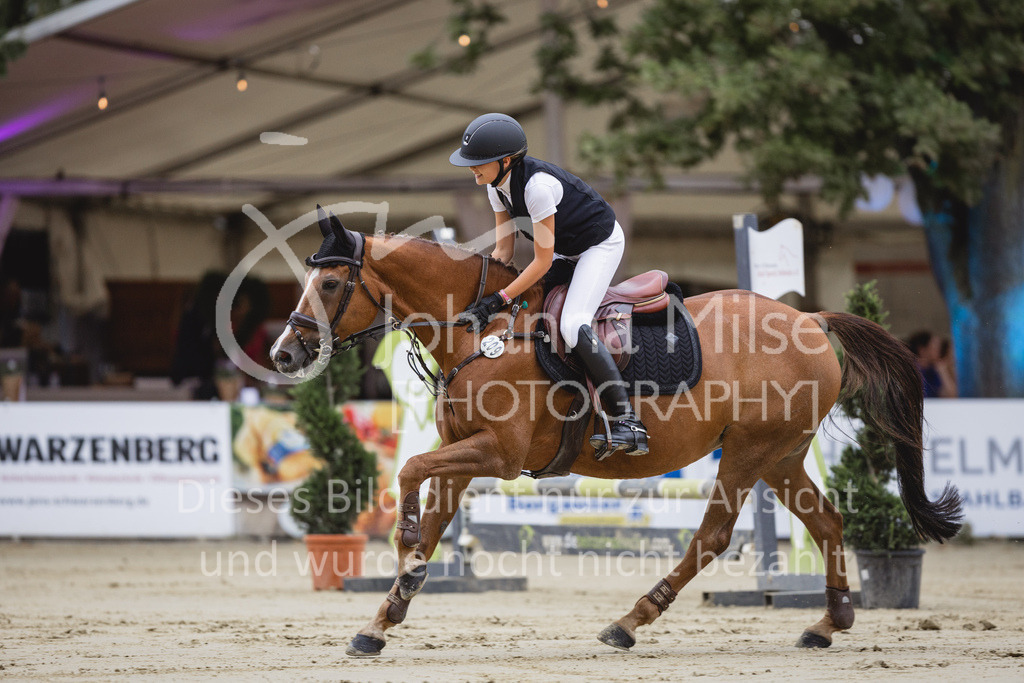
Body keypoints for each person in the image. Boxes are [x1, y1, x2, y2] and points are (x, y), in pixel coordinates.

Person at [449, 113, 648, 456]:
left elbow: (541, 262)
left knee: (572, 324)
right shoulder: (496, 188)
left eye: (478, 162)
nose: (472, 169)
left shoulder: (537, 188)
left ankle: (627, 420)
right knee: (529, 311)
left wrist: (498, 298)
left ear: (506, 161)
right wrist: (480, 293)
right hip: (565, 250)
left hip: (599, 245)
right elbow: (503, 252)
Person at [906, 330, 958, 398]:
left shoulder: (932, 370)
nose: (940, 350)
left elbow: (952, 396)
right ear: (922, 350)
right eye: (935, 347)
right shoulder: (911, 371)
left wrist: (944, 371)